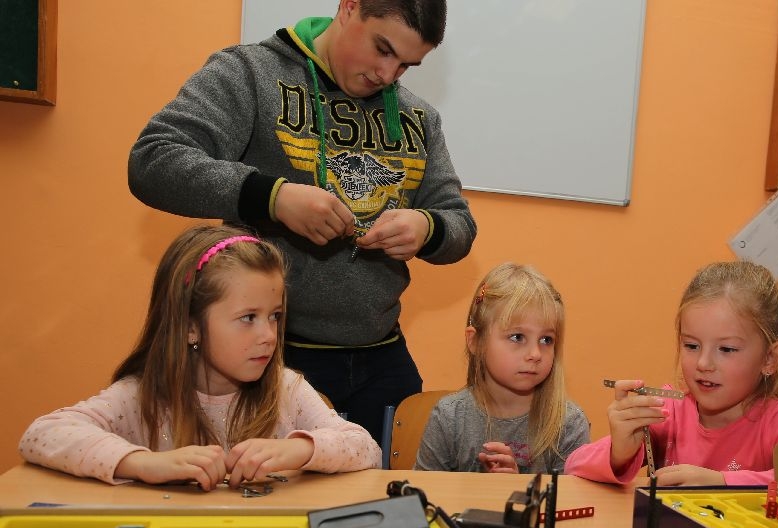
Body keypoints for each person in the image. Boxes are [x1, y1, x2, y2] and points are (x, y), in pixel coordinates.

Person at [128, 0, 476, 442]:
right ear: (349, 8)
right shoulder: (250, 73)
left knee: (381, 501)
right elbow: (153, 160)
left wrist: (428, 229)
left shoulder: (419, 117)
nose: (388, 75)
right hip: (267, 355)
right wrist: (273, 198)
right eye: (382, 49)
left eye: (406, 64)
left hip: (383, 359)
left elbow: (459, 223)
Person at [19, 225, 381, 489]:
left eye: (275, 316)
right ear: (190, 326)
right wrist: (143, 463)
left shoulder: (286, 388)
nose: (269, 335)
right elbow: (43, 434)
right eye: (248, 318)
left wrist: (301, 449)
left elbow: (366, 449)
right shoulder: (141, 395)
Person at [566, 261, 778, 486]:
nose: (704, 363)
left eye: (727, 349)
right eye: (691, 346)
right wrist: (618, 453)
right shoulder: (667, 412)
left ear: (770, 358)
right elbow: (573, 466)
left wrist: (722, 483)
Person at [415, 263, 589, 473]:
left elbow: (568, 505)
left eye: (546, 339)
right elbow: (423, 499)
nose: (535, 354)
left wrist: (517, 490)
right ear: (475, 342)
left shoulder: (569, 423)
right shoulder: (449, 417)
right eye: (517, 337)